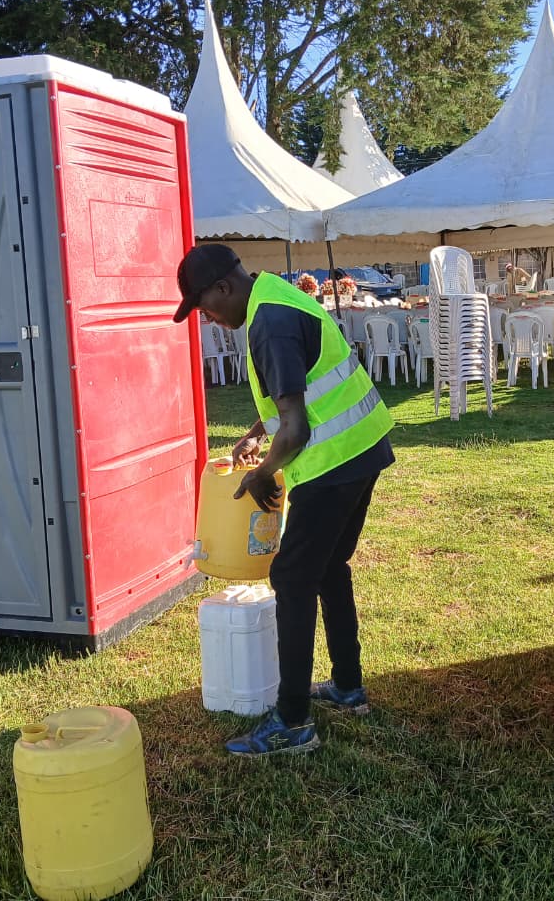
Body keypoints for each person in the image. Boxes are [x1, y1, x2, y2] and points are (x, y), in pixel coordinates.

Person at [172, 243, 395, 757]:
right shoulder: (273, 295)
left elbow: (296, 430)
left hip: (333, 463)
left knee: (292, 578)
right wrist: (258, 430)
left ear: (223, 287)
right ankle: (348, 686)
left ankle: (293, 722)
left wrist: (262, 473)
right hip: (363, 448)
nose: (206, 318)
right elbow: (295, 387)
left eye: (204, 306)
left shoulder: (268, 323)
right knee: (329, 565)